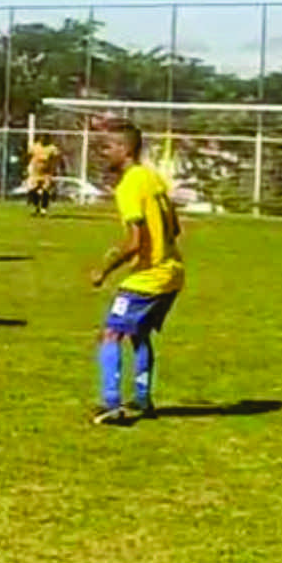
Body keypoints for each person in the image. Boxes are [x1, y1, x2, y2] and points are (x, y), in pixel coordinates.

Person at [88, 121, 185, 425]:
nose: (103, 153)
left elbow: (134, 242)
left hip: (150, 276)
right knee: (138, 333)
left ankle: (111, 404)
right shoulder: (152, 177)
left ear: (124, 149)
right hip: (173, 271)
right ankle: (143, 399)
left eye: (107, 147)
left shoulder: (129, 185)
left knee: (110, 333)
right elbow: (175, 228)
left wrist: (105, 269)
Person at [25, 136, 62, 217]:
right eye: (42, 138)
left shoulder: (52, 148)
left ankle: (43, 209)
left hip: (46, 172)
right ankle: (36, 206)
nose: (43, 140)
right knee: (32, 190)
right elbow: (28, 156)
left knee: (46, 189)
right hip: (35, 172)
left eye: (45, 138)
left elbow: (57, 158)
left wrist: (56, 169)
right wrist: (27, 167)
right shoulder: (35, 147)